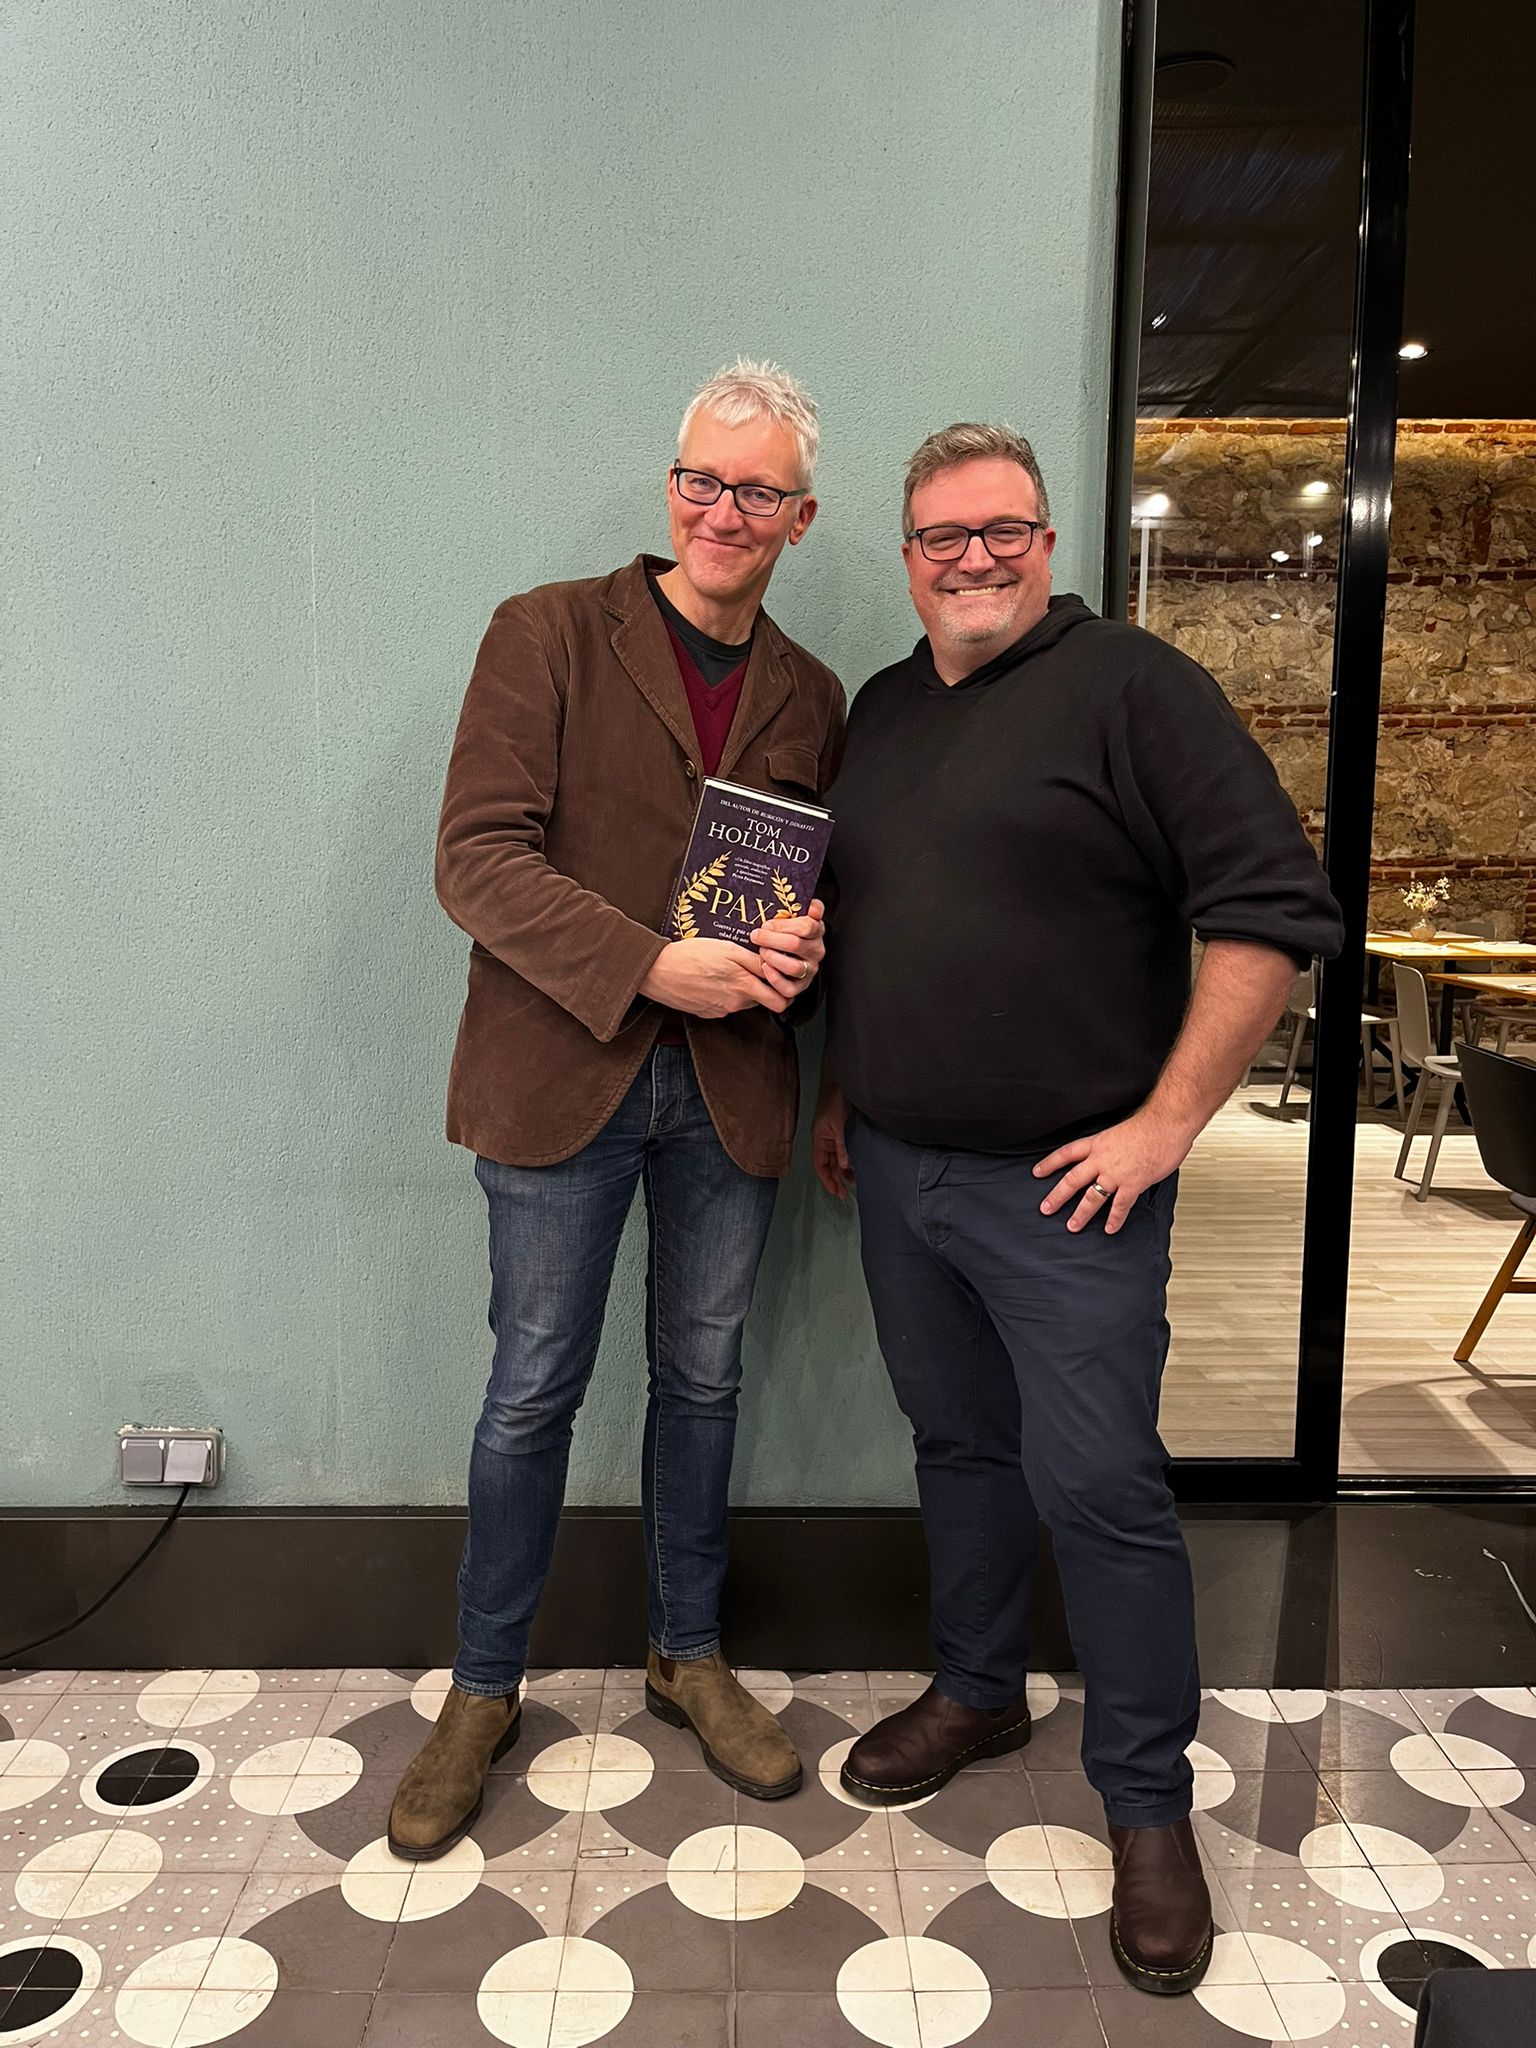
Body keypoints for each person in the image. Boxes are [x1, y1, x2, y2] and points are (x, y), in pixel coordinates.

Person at [812, 422, 1343, 1995]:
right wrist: (849, 1088)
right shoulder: (886, 711)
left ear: (1050, 541)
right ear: (906, 555)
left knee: (1103, 1487)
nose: (974, 559)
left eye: (1004, 531)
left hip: (1069, 1196)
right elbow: (881, 926)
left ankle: (1149, 1806)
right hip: (901, 1173)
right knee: (958, 1447)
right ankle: (979, 1688)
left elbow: (1270, 912)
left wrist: (1168, 1126)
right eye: (942, 538)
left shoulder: (1137, 690)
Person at [389, 361, 845, 1861]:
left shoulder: (814, 696)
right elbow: (477, 859)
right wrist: (656, 963)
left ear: (799, 516)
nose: (725, 511)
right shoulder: (544, 632)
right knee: (532, 1388)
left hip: (730, 1089)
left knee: (702, 1380)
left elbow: (802, 889)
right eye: (704, 482)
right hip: (560, 1066)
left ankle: (686, 1651)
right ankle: (482, 1686)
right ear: (672, 489)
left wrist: (798, 944)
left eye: (758, 492)